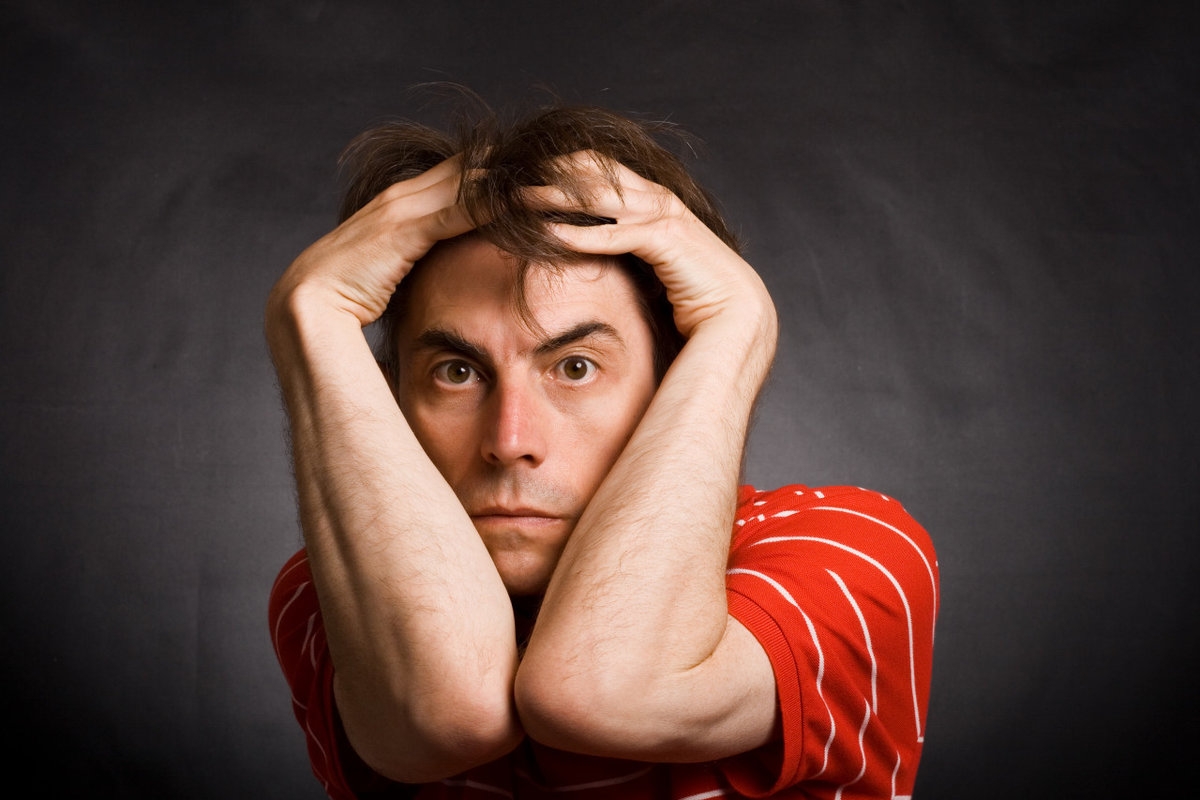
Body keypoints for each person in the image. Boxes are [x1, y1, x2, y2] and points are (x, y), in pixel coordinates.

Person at [266, 95, 939, 799]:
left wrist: (738, 324)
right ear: (388, 398)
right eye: (457, 372)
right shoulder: (328, 595)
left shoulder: (854, 551)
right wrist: (314, 315)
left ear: (677, 383)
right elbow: (448, 713)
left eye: (576, 367)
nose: (510, 442)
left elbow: (598, 692)